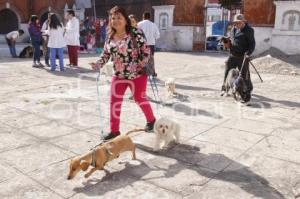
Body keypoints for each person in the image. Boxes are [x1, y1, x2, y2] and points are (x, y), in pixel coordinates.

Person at [90, 6, 156, 141]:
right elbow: (106, 54)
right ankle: (114, 131)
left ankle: (151, 120)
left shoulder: (135, 32)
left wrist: (141, 63)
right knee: (114, 102)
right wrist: (98, 64)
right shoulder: (110, 36)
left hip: (137, 75)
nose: (115, 20)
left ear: (125, 20)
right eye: (113, 18)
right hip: (119, 75)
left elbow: (146, 50)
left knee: (139, 98)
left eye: (119, 17)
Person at [221, 14, 255, 103]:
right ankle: (224, 88)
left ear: (243, 22)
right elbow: (231, 38)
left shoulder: (249, 30)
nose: (236, 25)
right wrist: (226, 40)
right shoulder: (233, 29)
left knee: (244, 75)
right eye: (235, 23)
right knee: (227, 71)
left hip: (242, 56)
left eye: (238, 23)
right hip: (232, 54)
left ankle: (247, 91)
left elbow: (252, 44)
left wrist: (249, 53)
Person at [138, 12, 160, 76]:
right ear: (149, 17)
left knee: (141, 59)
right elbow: (157, 36)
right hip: (151, 44)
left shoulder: (139, 24)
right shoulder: (153, 25)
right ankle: (152, 72)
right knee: (151, 59)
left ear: (143, 17)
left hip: (141, 44)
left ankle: (141, 72)